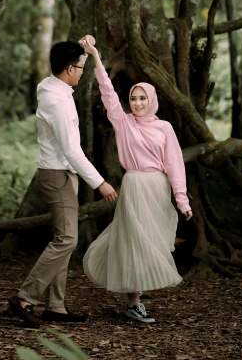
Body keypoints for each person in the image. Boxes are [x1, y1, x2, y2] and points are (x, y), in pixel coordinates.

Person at [79, 35, 192, 324]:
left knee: (152, 240)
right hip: (134, 185)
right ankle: (134, 302)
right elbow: (107, 93)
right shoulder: (123, 121)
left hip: (158, 188)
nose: (138, 103)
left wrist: (182, 199)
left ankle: (136, 299)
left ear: (151, 100)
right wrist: (95, 56)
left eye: (143, 98)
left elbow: (175, 164)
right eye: (133, 98)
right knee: (134, 240)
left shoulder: (164, 127)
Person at [7, 41, 117, 328]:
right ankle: (25, 297)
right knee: (68, 239)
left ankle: (55, 305)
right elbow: (71, 150)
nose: (83, 73)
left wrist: (86, 47)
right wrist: (100, 182)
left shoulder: (53, 87)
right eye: (81, 68)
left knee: (62, 239)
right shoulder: (56, 100)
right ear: (69, 69)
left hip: (64, 174)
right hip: (58, 175)